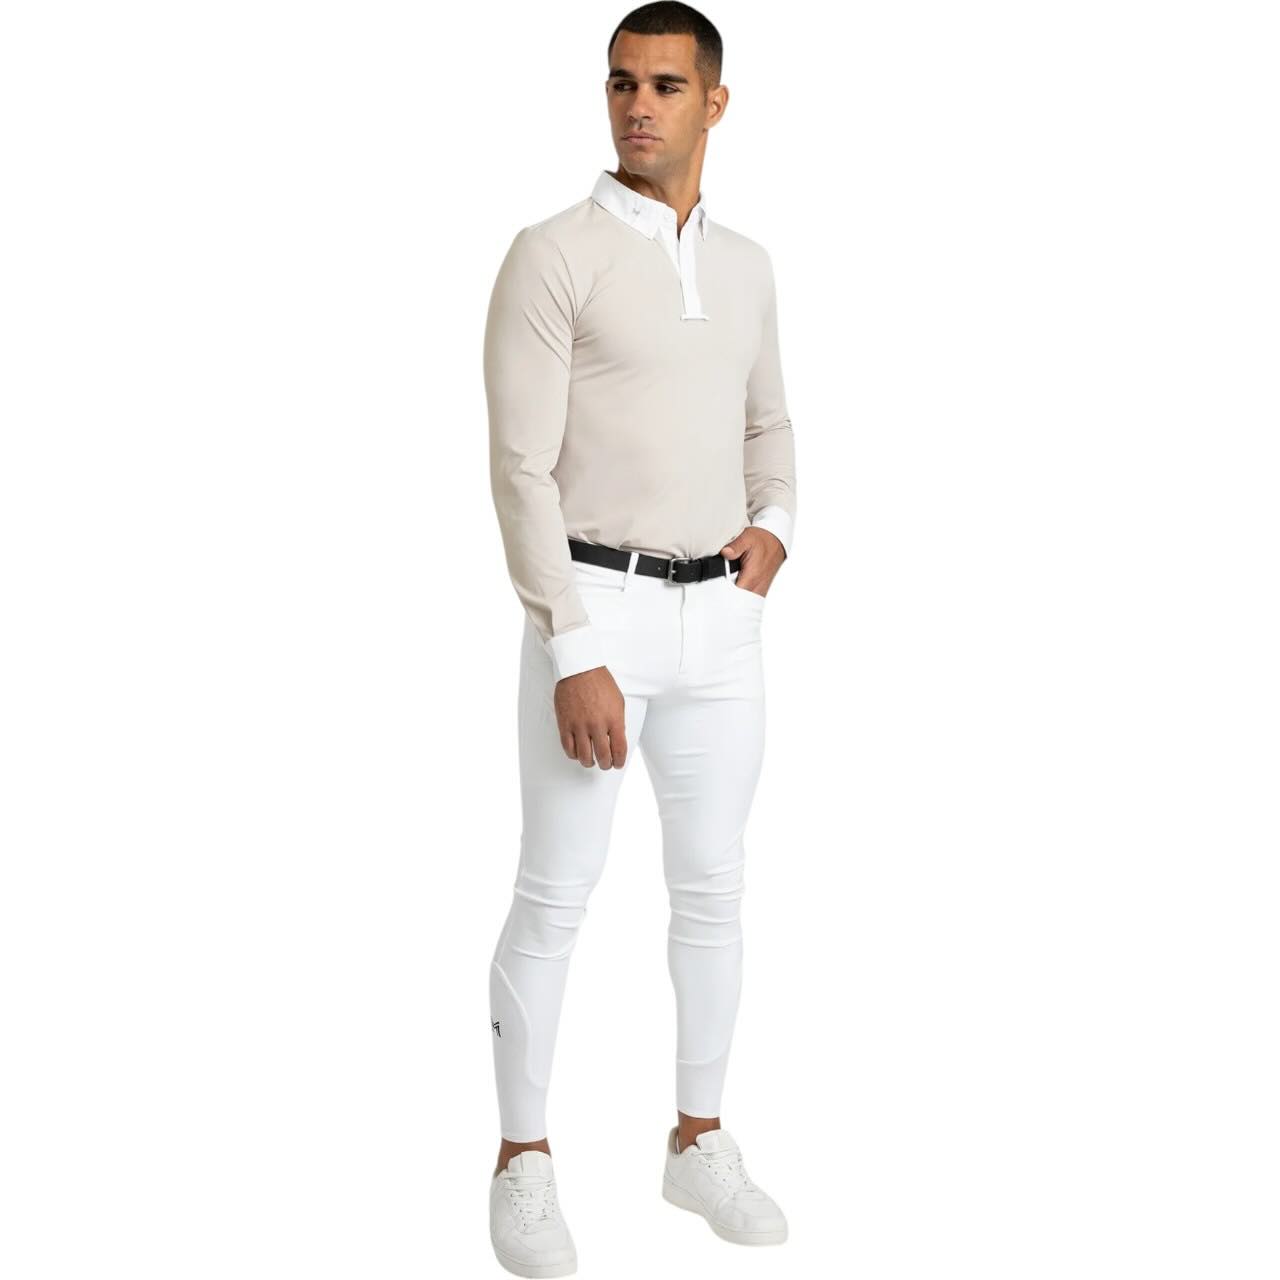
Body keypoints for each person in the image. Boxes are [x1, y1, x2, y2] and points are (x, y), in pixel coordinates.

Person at [482, 4, 796, 1273]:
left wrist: (775, 525)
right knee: (556, 891)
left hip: (720, 620)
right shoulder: (551, 254)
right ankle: (521, 1158)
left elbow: (768, 420)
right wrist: (571, 647)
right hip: (594, 606)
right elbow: (518, 468)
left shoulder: (747, 266)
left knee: (712, 885)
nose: (637, 106)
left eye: (665, 84)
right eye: (620, 82)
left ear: (713, 102)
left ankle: (695, 1139)